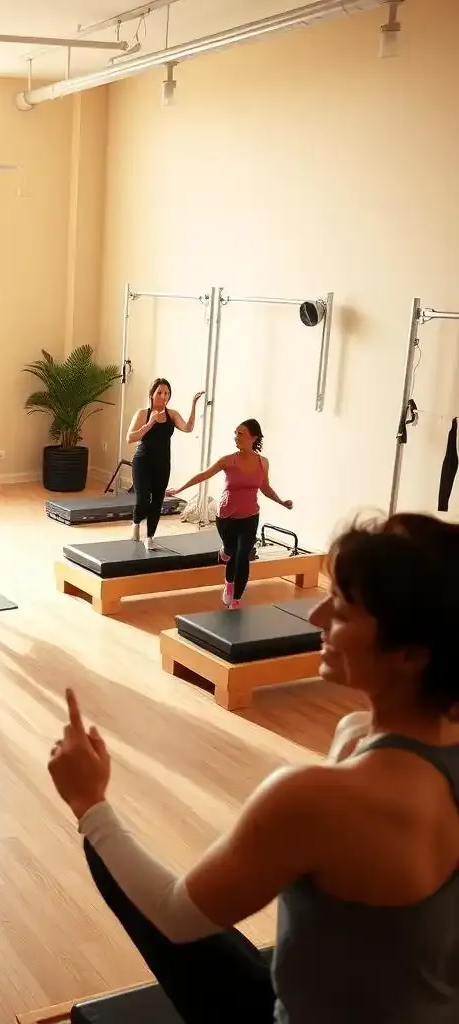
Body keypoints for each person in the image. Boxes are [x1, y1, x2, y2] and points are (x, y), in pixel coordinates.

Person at [48, 512, 459, 1024]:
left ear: (413, 654)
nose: (316, 617)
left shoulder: (317, 798)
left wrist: (89, 800)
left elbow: (176, 918)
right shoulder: (367, 738)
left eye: (345, 610)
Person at [166, 419, 292, 608]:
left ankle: (235, 597)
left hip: (250, 516)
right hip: (227, 517)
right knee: (232, 552)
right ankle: (225, 554)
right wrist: (180, 489)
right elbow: (203, 475)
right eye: (235, 433)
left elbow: (265, 487)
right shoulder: (228, 460)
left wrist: (281, 502)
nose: (236, 437)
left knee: (243, 555)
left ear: (253, 437)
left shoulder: (262, 462)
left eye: (240, 434)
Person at [125, 379, 204, 550]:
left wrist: (193, 405)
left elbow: (188, 428)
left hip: (162, 463)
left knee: (157, 501)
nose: (163, 396)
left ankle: (150, 537)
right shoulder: (143, 413)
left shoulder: (172, 415)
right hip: (142, 462)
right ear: (152, 395)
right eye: (159, 392)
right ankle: (136, 521)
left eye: (166, 393)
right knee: (143, 499)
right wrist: (150, 422)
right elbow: (130, 438)